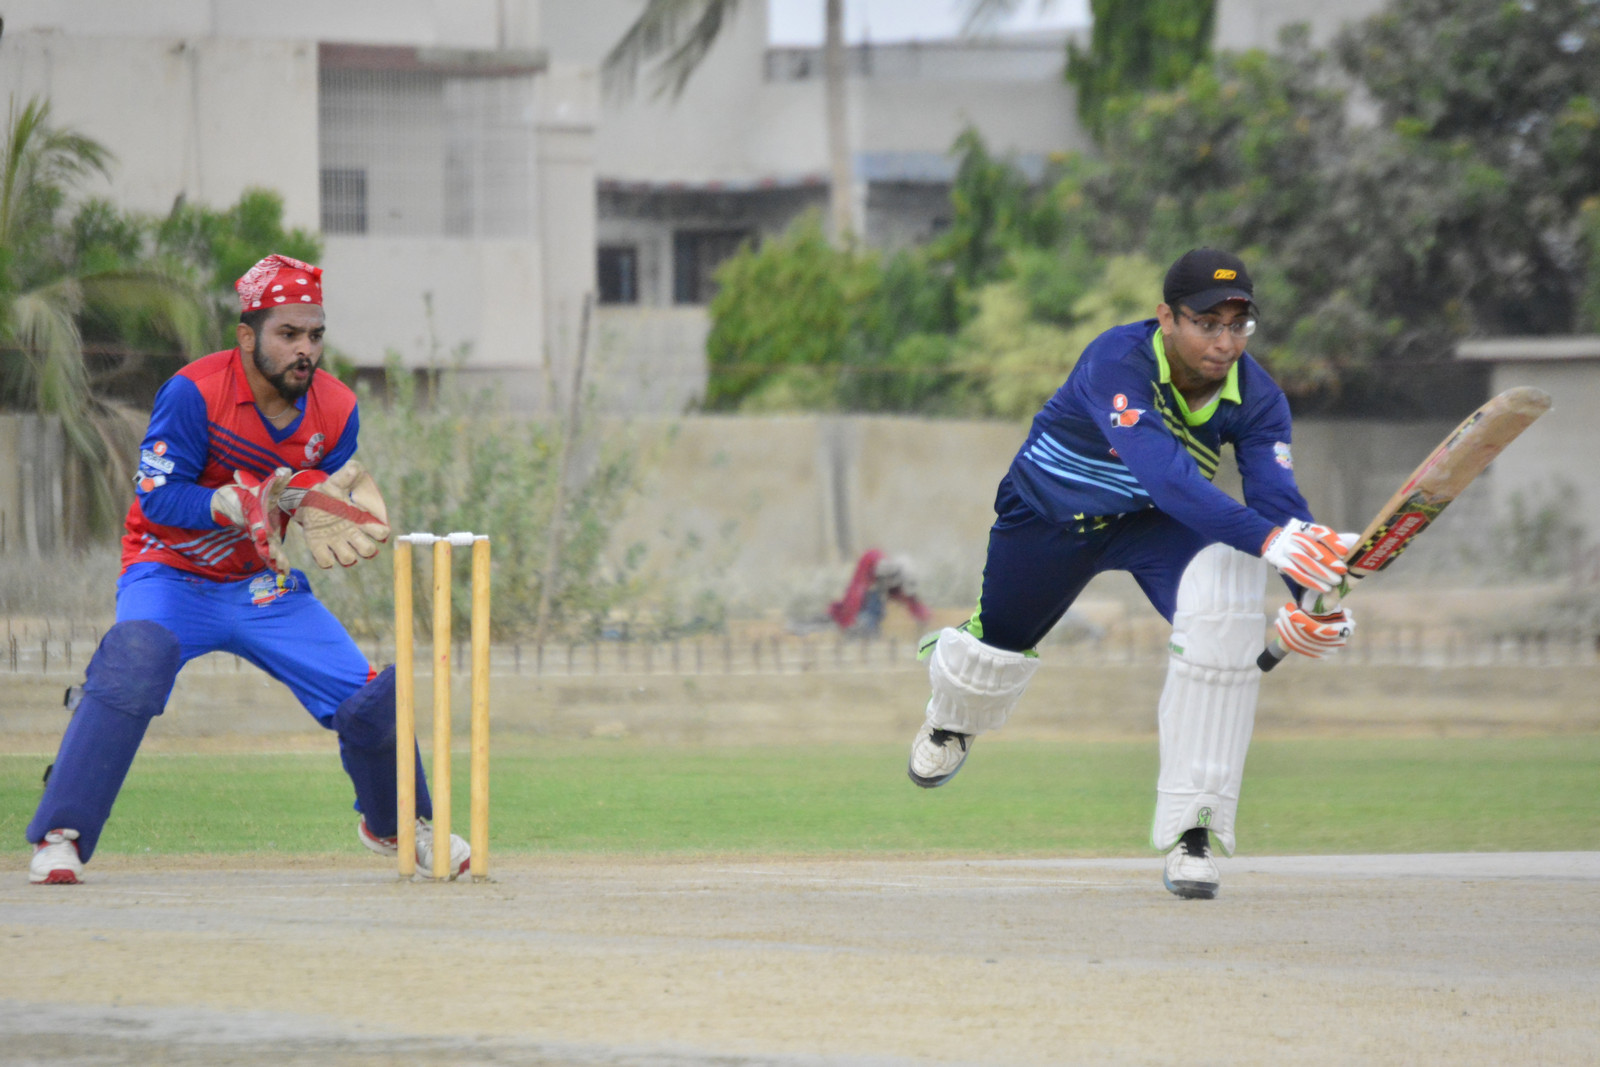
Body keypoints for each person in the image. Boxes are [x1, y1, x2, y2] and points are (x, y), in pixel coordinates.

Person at [906, 248, 1355, 900]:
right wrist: (1272, 543)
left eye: (1238, 326)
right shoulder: (1116, 360)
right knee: (996, 642)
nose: (1225, 342)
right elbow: (1168, 477)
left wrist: (1314, 596)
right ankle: (952, 718)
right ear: (1167, 318)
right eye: (1207, 323)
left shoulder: (1258, 398)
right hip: (1050, 512)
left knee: (1223, 625)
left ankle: (1194, 832)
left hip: (1153, 525)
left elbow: (1278, 503)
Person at [26, 254, 468, 885]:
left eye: (314, 335)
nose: (304, 349)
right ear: (246, 335)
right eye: (288, 334)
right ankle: (60, 836)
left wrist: (321, 502)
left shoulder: (337, 408)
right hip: (168, 571)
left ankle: (399, 825)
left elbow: (315, 493)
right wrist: (226, 502)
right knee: (135, 660)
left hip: (261, 583)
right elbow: (156, 497)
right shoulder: (195, 392)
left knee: (370, 697)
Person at [828, 549, 932, 637]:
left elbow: (912, 601)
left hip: (866, 607)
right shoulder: (873, 576)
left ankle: (863, 630)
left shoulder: (897, 581)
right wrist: (849, 622)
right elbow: (854, 598)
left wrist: (923, 617)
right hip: (862, 611)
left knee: (872, 611)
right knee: (871, 610)